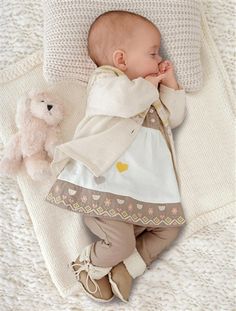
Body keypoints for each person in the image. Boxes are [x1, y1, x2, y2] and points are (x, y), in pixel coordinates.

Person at [46, 10, 187, 303]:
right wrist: (150, 85)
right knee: (121, 242)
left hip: (143, 190)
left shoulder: (149, 95)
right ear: (121, 59)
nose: (159, 59)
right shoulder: (106, 81)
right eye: (152, 53)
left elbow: (173, 117)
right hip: (107, 186)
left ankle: (125, 269)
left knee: (170, 228)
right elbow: (123, 102)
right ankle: (88, 266)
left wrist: (171, 84)